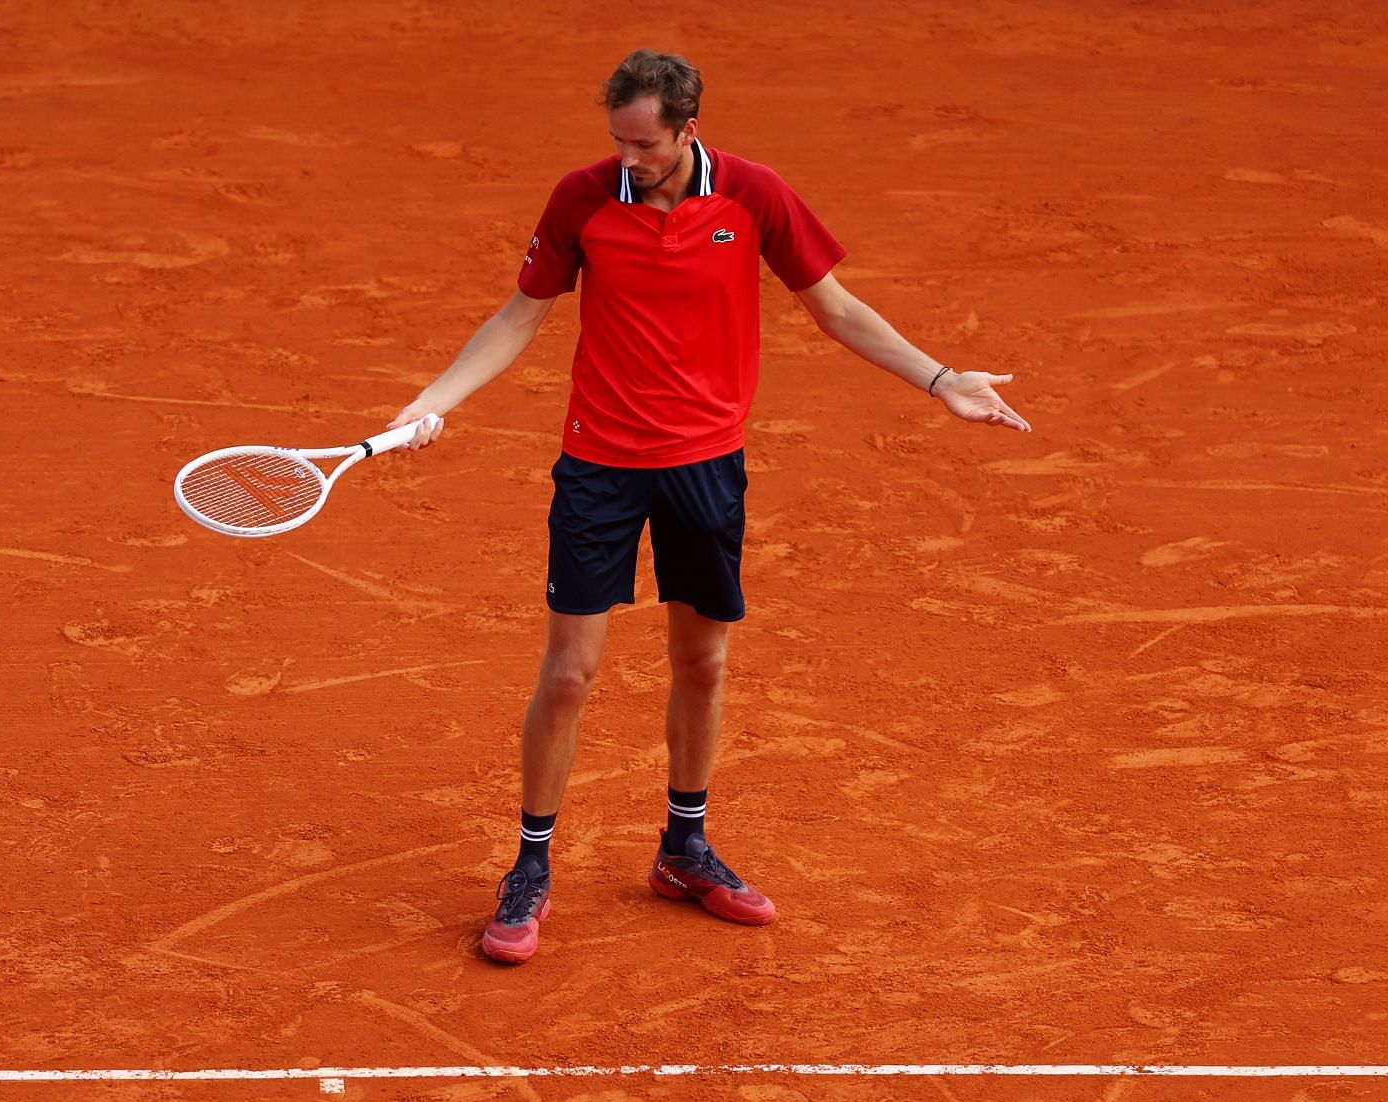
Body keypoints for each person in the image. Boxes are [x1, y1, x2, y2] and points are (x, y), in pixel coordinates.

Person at [387, 49, 1032, 965]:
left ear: (688, 129)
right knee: (569, 672)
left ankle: (683, 848)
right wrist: (434, 400)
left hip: (704, 468)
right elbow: (518, 316)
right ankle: (530, 865)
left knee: (703, 659)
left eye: (643, 143)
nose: (628, 157)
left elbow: (836, 309)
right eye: (616, 140)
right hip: (599, 467)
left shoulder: (755, 196)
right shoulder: (582, 198)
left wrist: (940, 380)